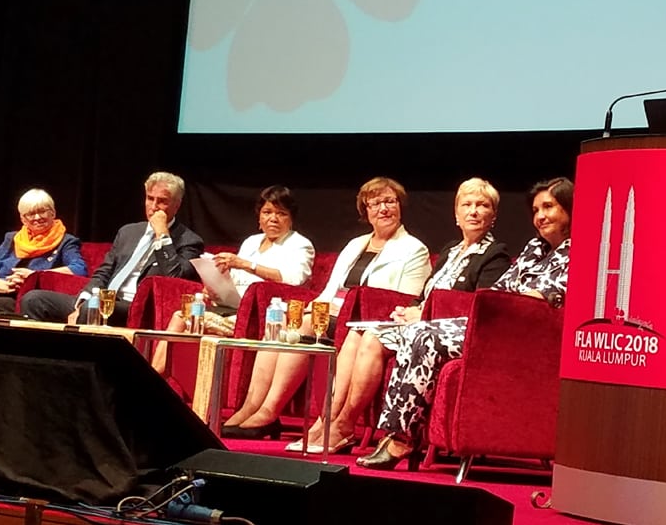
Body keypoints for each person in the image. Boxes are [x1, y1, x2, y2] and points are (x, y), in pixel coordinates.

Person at [356, 177, 572, 470]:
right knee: (415, 332)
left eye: (549, 207)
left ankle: (401, 440)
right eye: (536, 210)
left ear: (570, 209)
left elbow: (543, 297)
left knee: (424, 335)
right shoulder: (536, 247)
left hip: (528, 339)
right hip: (496, 326)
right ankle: (397, 434)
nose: (541, 216)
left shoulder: (578, 251)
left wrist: (507, 301)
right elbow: (498, 291)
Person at [286, 177, 511, 453]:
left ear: (494, 215)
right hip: (421, 321)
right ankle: (326, 420)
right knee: (358, 333)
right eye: (467, 205)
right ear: (456, 214)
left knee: (371, 339)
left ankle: (344, 426)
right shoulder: (451, 251)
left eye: (482, 205)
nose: (473, 211)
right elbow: (425, 293)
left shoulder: (494, 255)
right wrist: (409, 309)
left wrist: (424, 312)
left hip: (446, 330)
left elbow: (481, 307)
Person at [222, 176, 432, 439]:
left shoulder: (414, 250)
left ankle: (269, 411)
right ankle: (251, 405)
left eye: (390, 201)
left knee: (304, 324)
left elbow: (405, 300)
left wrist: (327, 313)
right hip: (332, 313)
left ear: (400, 206)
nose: (383, 209)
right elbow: (330, 289)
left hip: (364, 321)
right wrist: (313, 308)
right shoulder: (356, 244)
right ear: (365, 211)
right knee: (284, 322)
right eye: (375, 203)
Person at [151, 185, 315, 373]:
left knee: (187, 321)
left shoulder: (300, 245)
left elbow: (293, 279)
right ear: (259, 217)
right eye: (267, 212)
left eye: (281, 213)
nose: (273, 218)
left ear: (291, 218)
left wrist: (246, 264)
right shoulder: (252, 242)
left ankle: (156, 378)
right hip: (230, 307)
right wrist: (215, 286)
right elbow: (235, 279)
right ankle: (157, 376)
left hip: (265, 316)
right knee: (183, 315)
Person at [20, 172, 204, 326]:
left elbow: (174, 277)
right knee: (34, 299)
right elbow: (104, 271)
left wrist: (162, 235)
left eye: (162, 201)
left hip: (134, 307)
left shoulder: (189, 241)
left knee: (94, 307)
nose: (153, 207)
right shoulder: (128, 232)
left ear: (177, 205)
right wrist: (84, 298)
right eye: (150, 198)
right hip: (102, 300)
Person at [0, 189, 87, 314]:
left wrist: (34, 276)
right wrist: (7, 286)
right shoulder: (12, 239)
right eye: (30, 213)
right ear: (23, 219)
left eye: (42, 211)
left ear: (53, 213)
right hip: (0, 294)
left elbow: (79, 269)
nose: (37, 217)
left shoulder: (66, 241)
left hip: (28, 301)